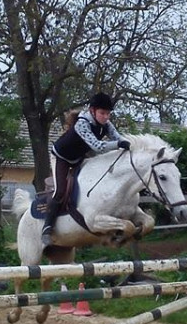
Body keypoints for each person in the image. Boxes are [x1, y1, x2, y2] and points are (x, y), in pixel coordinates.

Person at [42, 92, 130, 246]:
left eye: (108, 113)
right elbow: (98, 146)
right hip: (61, 158)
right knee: (60, 191)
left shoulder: (106, 124)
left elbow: (118, 138)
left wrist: (130, 145)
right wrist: (118, 145)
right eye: (102, 113)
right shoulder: (82, 123)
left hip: (79, 158)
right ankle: (47, 228)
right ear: (92, 111)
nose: (106, 117)